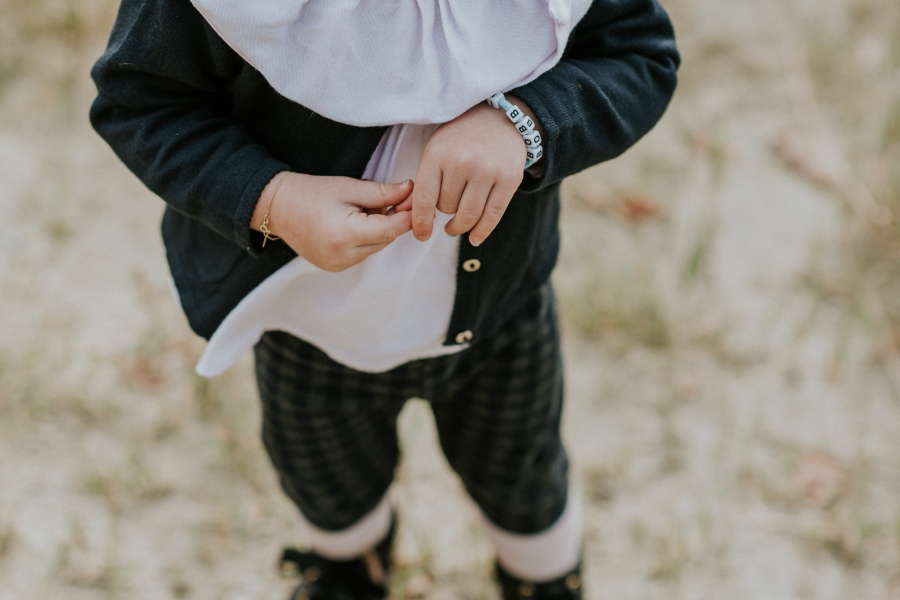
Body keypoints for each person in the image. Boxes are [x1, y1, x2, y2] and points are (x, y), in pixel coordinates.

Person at [89, 0, 679, 598]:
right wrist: (273, 199)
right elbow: (139, 102)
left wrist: (523, 123)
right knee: (329, 494)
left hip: (499, 317)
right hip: (310, 329)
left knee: (525, 484)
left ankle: (545, 581)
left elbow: (639, 56)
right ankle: (348, 573)